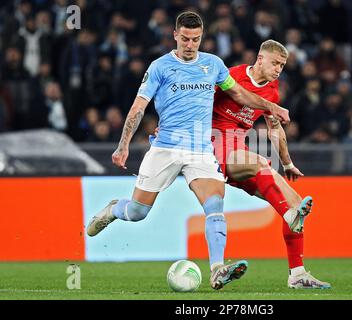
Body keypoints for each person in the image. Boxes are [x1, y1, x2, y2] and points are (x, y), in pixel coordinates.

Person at [85, 11, 291, 290]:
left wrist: (271, 106)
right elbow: (138, 108)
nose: (190, 44)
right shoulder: (159, 67)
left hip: (201, 150)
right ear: (175, 35)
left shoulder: (214, 65)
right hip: (166, 149)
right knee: (137, 212)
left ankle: (217, 269)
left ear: (201, 37)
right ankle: (112, 209)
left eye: (195, 39)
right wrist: (123, 146)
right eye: (185, 38)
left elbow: (239, 95)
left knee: (215, 207)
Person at [211, 40, 331, 289]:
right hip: (213, 146)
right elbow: (198, 102)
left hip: (239, 152)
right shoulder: (231, 76)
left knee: (297, 202)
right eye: (275, 63)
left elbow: (274, 131)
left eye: (282, 65)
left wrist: (287, 163)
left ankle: (297, 274)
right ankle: (288, 215)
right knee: (260, 164)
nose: (278, 69)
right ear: (260, 59)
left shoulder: (272, 92)